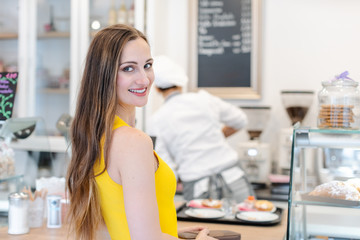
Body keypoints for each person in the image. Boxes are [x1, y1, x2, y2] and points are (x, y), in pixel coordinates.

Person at [66, 25, 216, 240]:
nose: (144, 79)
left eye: (147, 65)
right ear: (104, 75)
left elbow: (119, 224)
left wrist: (170, 234)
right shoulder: (133, 142)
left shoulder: (99, 136)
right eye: (128, 68)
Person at [147, 55, 255, 203]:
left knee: (206, 227)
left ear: (157, 89)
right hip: (234, 176)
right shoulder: (204, 99)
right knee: (248, 222)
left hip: (198, 186)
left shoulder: (156, 120)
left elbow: (166, 166)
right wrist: (216, 136)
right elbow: (240, 120)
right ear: (181, 84)